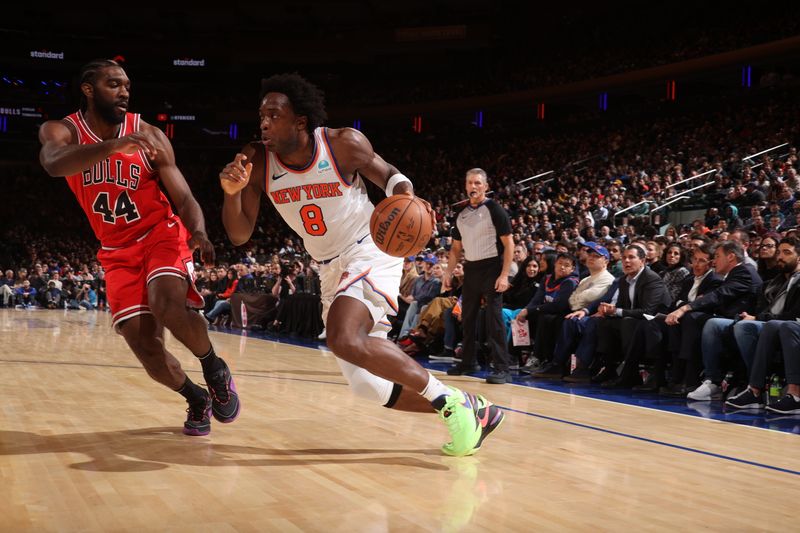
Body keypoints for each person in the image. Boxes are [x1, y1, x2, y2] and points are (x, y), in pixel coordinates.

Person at [218, 73, 502, 456]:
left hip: (370, 246)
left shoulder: (340, 144)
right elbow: (238, 234)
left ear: (300, 121)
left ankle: (453, 408)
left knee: (343, 337)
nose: (264, 122)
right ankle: (470, 406)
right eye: (261, 115)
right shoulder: (256, 159)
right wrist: (231, 194)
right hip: (328, 266)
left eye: (274, 114)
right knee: (367, 385)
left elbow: (389, 176)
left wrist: (406, 201)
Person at [38, 59, 240, 437]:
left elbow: (184, 196)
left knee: (167, 303)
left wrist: (199, 231)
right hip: (115, 250)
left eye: (127, 85)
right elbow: (53, 164)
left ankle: (213, 366)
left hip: (159, 233)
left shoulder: (147, 133)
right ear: (88, 89)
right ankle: (196, 397)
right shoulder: (61, 130)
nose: (124, 91)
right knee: (146, 349)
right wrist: (113, 147)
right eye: (113, 84)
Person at [443, 168, 515, 384]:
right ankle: (468, 362)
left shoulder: (495, 210)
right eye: (470, 183)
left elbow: (509, 244)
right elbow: (456, 249)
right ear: (465, 186)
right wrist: (448, 272)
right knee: (467, 317)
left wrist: (504, 275)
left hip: (492, 266)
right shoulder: (461, 214)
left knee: (494, 319)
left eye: (477, 183)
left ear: (485, 186)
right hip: (471, 268)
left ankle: (502, 368)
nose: (473, 187)